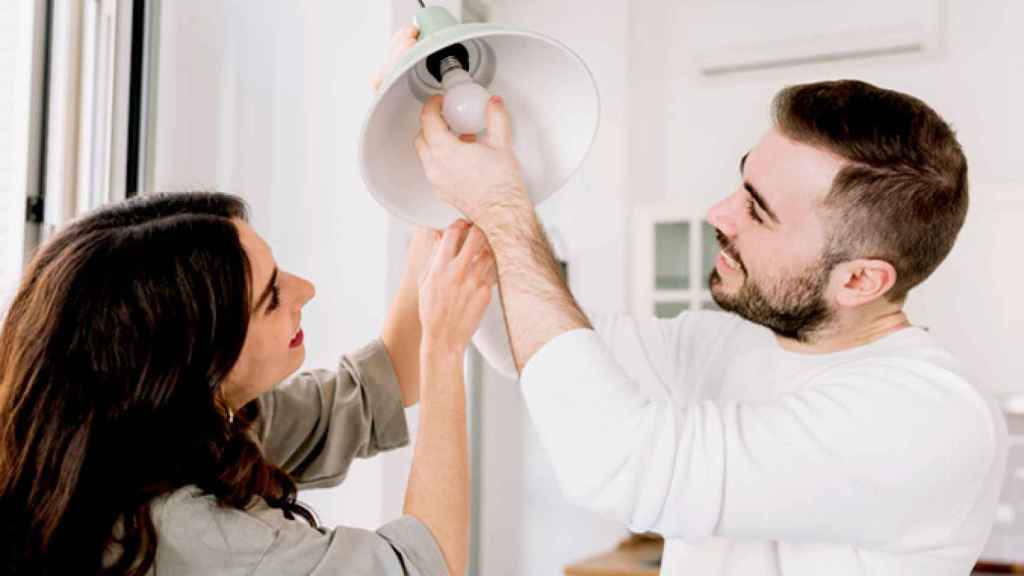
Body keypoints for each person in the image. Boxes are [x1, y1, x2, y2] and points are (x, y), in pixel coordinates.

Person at [414, 80, 1008, 575]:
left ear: (859, 282)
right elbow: (524, 345)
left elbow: (616, 465)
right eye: (741, 182)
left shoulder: (926, 417)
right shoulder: (728, 341)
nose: (718, 214)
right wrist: (445, 171)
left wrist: (504, 208)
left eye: (758, 209)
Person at [0, 192, 495, 575]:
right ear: (199, 363)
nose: (306, 290)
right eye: (272, 297)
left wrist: (424, 200)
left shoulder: (160, 428)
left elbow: (374, 387)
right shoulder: (195, 537)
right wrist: (445, 349)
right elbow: (426, 564)